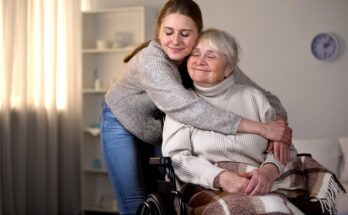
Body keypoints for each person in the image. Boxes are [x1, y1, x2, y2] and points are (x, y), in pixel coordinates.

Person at [100, 0, 292, 214]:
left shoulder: (207, 57)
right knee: (134, 201)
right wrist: (262, 128)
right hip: (120, 120)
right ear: (159, 30)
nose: (175, 41)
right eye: (168, 32)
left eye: (185, 34)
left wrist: (279, 129)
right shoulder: (152, 62)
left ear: (198, 34)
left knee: (163, 197)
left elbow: (269, 99)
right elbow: (189, 110)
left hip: (156, 126)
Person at [162, 28, 344, 214]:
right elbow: (176, 158)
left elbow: (284, 148)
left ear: (229, 68)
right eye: (195, 54)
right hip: (206, 187)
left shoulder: (253, 97)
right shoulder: (182, 104)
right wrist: (222, 178)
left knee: (275, 206)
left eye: (211, 56)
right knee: (268, 207)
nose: (200, 60)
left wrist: (268, 172)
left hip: (262, 185)